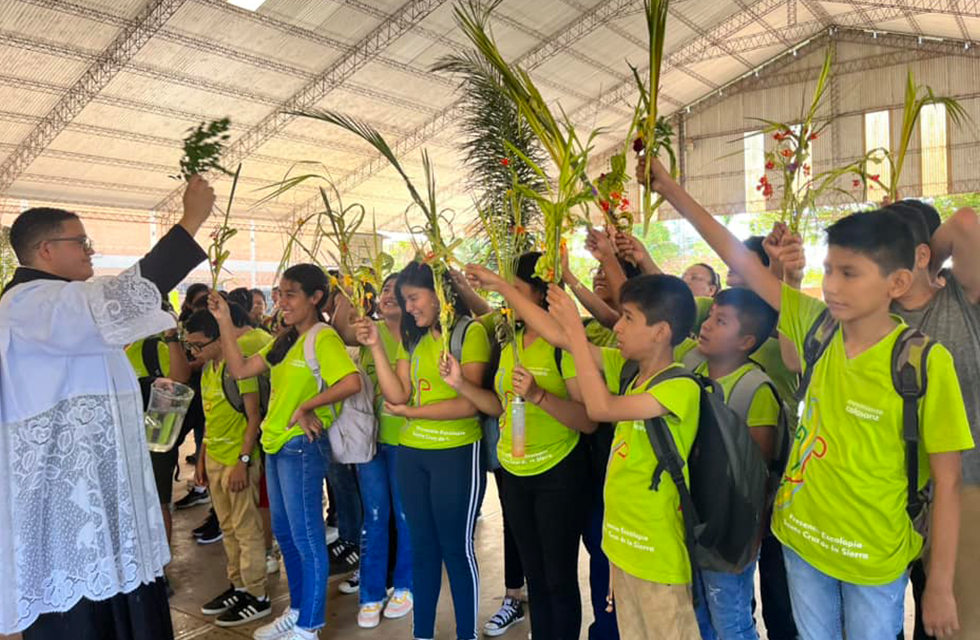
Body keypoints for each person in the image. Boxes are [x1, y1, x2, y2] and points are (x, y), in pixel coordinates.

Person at [645, 155, 974, 639]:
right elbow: (739, 256)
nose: (833, 286)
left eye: (850, 273)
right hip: (802, 539)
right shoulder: (818, 326)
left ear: (897, 283)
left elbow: (947, 481)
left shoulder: (924, 362)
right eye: (829, 271)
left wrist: (940, 584)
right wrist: (671, 190)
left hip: (875, 555)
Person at [0, 176, 216, 639]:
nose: (90, 252)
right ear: (44, 251)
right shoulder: (32, 305)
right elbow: (124, 295)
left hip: (101, 494)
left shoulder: (64, 307)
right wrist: (191, 220)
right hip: (71, 510)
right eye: (80, 242)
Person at [540, 274, 702, 640]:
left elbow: (600, 407)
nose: (618, 326)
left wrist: (578, 336)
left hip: (658, 557)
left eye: (628, 318)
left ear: (661, 332)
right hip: (622, 547)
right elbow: (558, 338)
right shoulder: (629, 370)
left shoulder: (681, 387)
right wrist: (503, 288)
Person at [211, 264, 362, 640]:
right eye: (279, 293)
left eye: (290, 293)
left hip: (300, 448)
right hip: (275, 443)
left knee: (307, 536)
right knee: (286, 533)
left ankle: (309, 626)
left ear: (315, 298)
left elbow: (351, 381)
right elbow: (241, 367)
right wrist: (225, 323)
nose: (282, 301)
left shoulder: (322, 337)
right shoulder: (285, 339)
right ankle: (296, 612)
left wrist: (309, 406)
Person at [459, 253, 596, 640]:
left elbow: (587, 420)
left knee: (558, 578)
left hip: (559, 475)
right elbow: (499, 406)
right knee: (534, 578)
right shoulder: (511, 340)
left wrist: (538, 396)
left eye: (515, 291)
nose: (507, 301)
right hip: (514, 472)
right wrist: (460, 384)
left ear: (540, 294)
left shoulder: (565, 345)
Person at [354, 261, 491, 640]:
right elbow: (397, 394)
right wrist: (376, 347)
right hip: (412, 454)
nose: (408, 307)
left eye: (413, 298)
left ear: (439, 293)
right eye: (403, 300)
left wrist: (411, 412)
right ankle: (423, 633)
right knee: (423, 547)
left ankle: (467, 633)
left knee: (456, 549)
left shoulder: (469, 333)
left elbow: (470, 404)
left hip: (455, 452)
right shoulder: (412, 340)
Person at [883, 202, 980, 640]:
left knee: (954, 623)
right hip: (885, 495)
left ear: (923, 253)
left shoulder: (963, 299)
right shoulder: (872, 319)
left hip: (963, 491)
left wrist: (920, 261)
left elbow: (965, 222)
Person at [675, 288, 780, 640]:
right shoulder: (691, 365)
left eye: (721, 321)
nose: (706, 326)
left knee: (731, 621)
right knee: (699, 613)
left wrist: (752, 537)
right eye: (709, 317)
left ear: (746, 340)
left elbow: (757, 477)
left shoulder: (755, 389)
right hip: (691, 518)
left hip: (729, 531)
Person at [333, 274, 415, 629]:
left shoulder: (417, 339)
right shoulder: (369, 333)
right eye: (383, 288)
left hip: (406, 441)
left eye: (398, 290)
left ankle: (406, 585)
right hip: (369, 442)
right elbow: (338, 330)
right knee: (375, 517)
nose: (388, 295)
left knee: (405, 515)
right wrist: (348, 288)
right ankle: (371, 593)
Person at [185, 307, 273, 627]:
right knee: (228, 529)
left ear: (219, 338)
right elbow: (210, 418)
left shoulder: (240, 371)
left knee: (247, 530)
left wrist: (243, 461)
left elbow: (254, 419)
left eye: (198, 345)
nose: (194, 353)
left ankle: (257, 595)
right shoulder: (210, 369)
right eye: (190, 346)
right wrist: (203, 456)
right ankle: (238, 586)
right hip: (217, 460)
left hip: (239, 461)